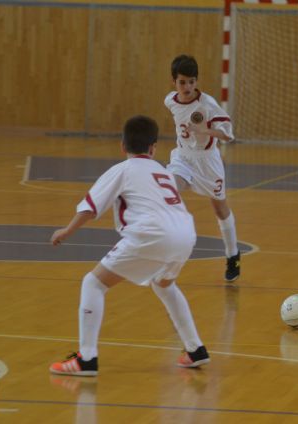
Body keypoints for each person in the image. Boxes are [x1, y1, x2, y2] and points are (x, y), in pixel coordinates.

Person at [49, 115, 210, 376]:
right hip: (186, 233)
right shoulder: (163, 171)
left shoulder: (122, 170)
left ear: (122, 146)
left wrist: (67, 230)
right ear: (153, 148)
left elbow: (91, 207)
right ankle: (196, 350)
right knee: (164, 285)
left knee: (94, 283)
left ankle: (86, 359)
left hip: (152, 234)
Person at [164, 54, 240, 283]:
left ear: (197, 81)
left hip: (208, 162)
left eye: (191, 82)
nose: (187, 87)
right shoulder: (170, 100)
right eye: (182, 82)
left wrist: (206, 131)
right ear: (174, 82)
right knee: (169, 191)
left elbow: (228, 134)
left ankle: (232, 254)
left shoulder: (207, 105)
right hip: (183, 158)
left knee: (220, 209)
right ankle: (169, 249)